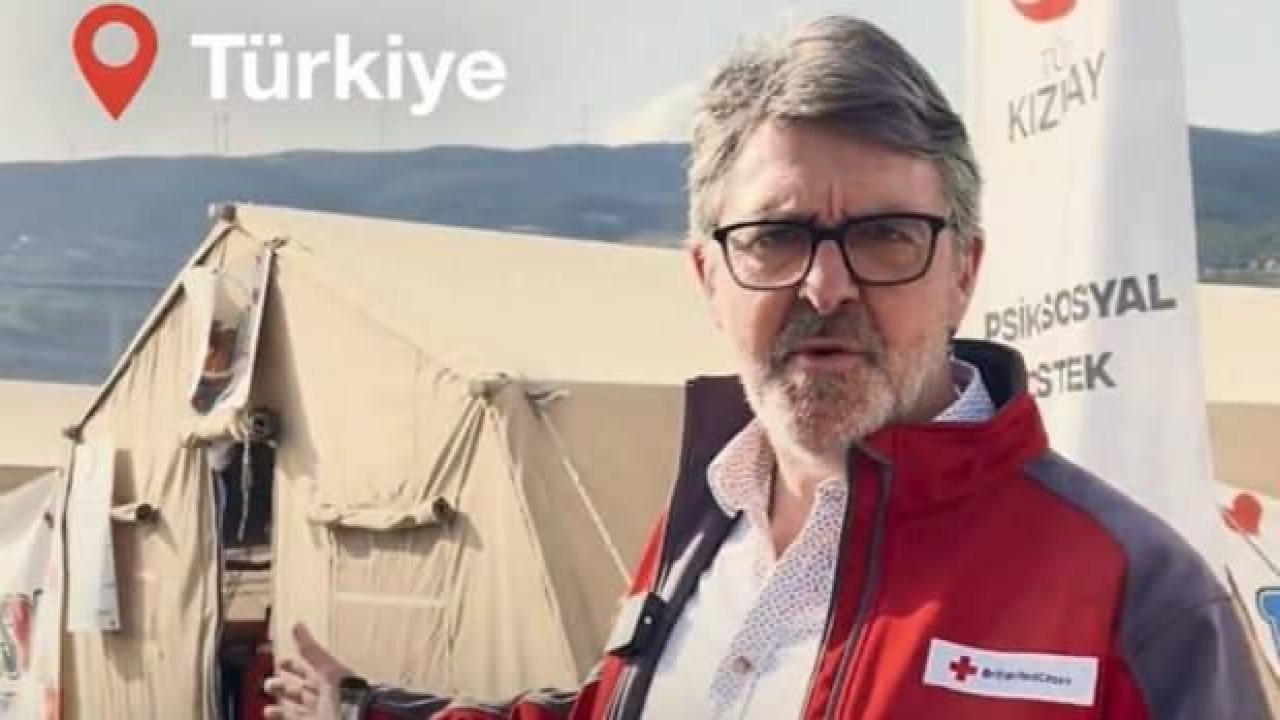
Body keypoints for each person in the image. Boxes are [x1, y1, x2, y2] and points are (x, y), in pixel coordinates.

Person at [264, 15, 1269, 720]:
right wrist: (366, 710)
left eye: (885, 235)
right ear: (708, 277)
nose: (826, 285)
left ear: (963, 272)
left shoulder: (1136, 594)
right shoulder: (702, 525)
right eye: (775, 237)